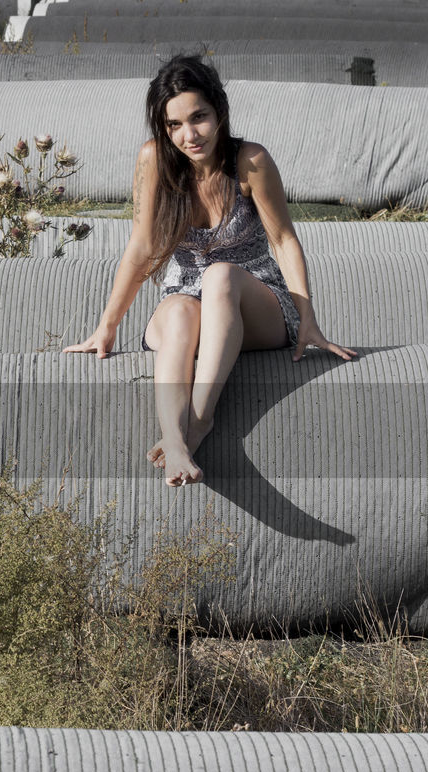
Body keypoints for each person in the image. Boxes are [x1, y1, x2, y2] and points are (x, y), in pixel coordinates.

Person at [64, 55, 355, 487]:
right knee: (179, 309)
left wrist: (308, 319)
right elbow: (142, 247)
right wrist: (106, 328)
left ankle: (198, 422)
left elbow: (284, 240)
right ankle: (173, 440)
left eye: (198, 117)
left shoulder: (250, 161)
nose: (189, 134)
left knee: (220, 274)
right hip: (184, 300)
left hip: (254, 303)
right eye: (175, 124)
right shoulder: (154, 161)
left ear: (219, 110)